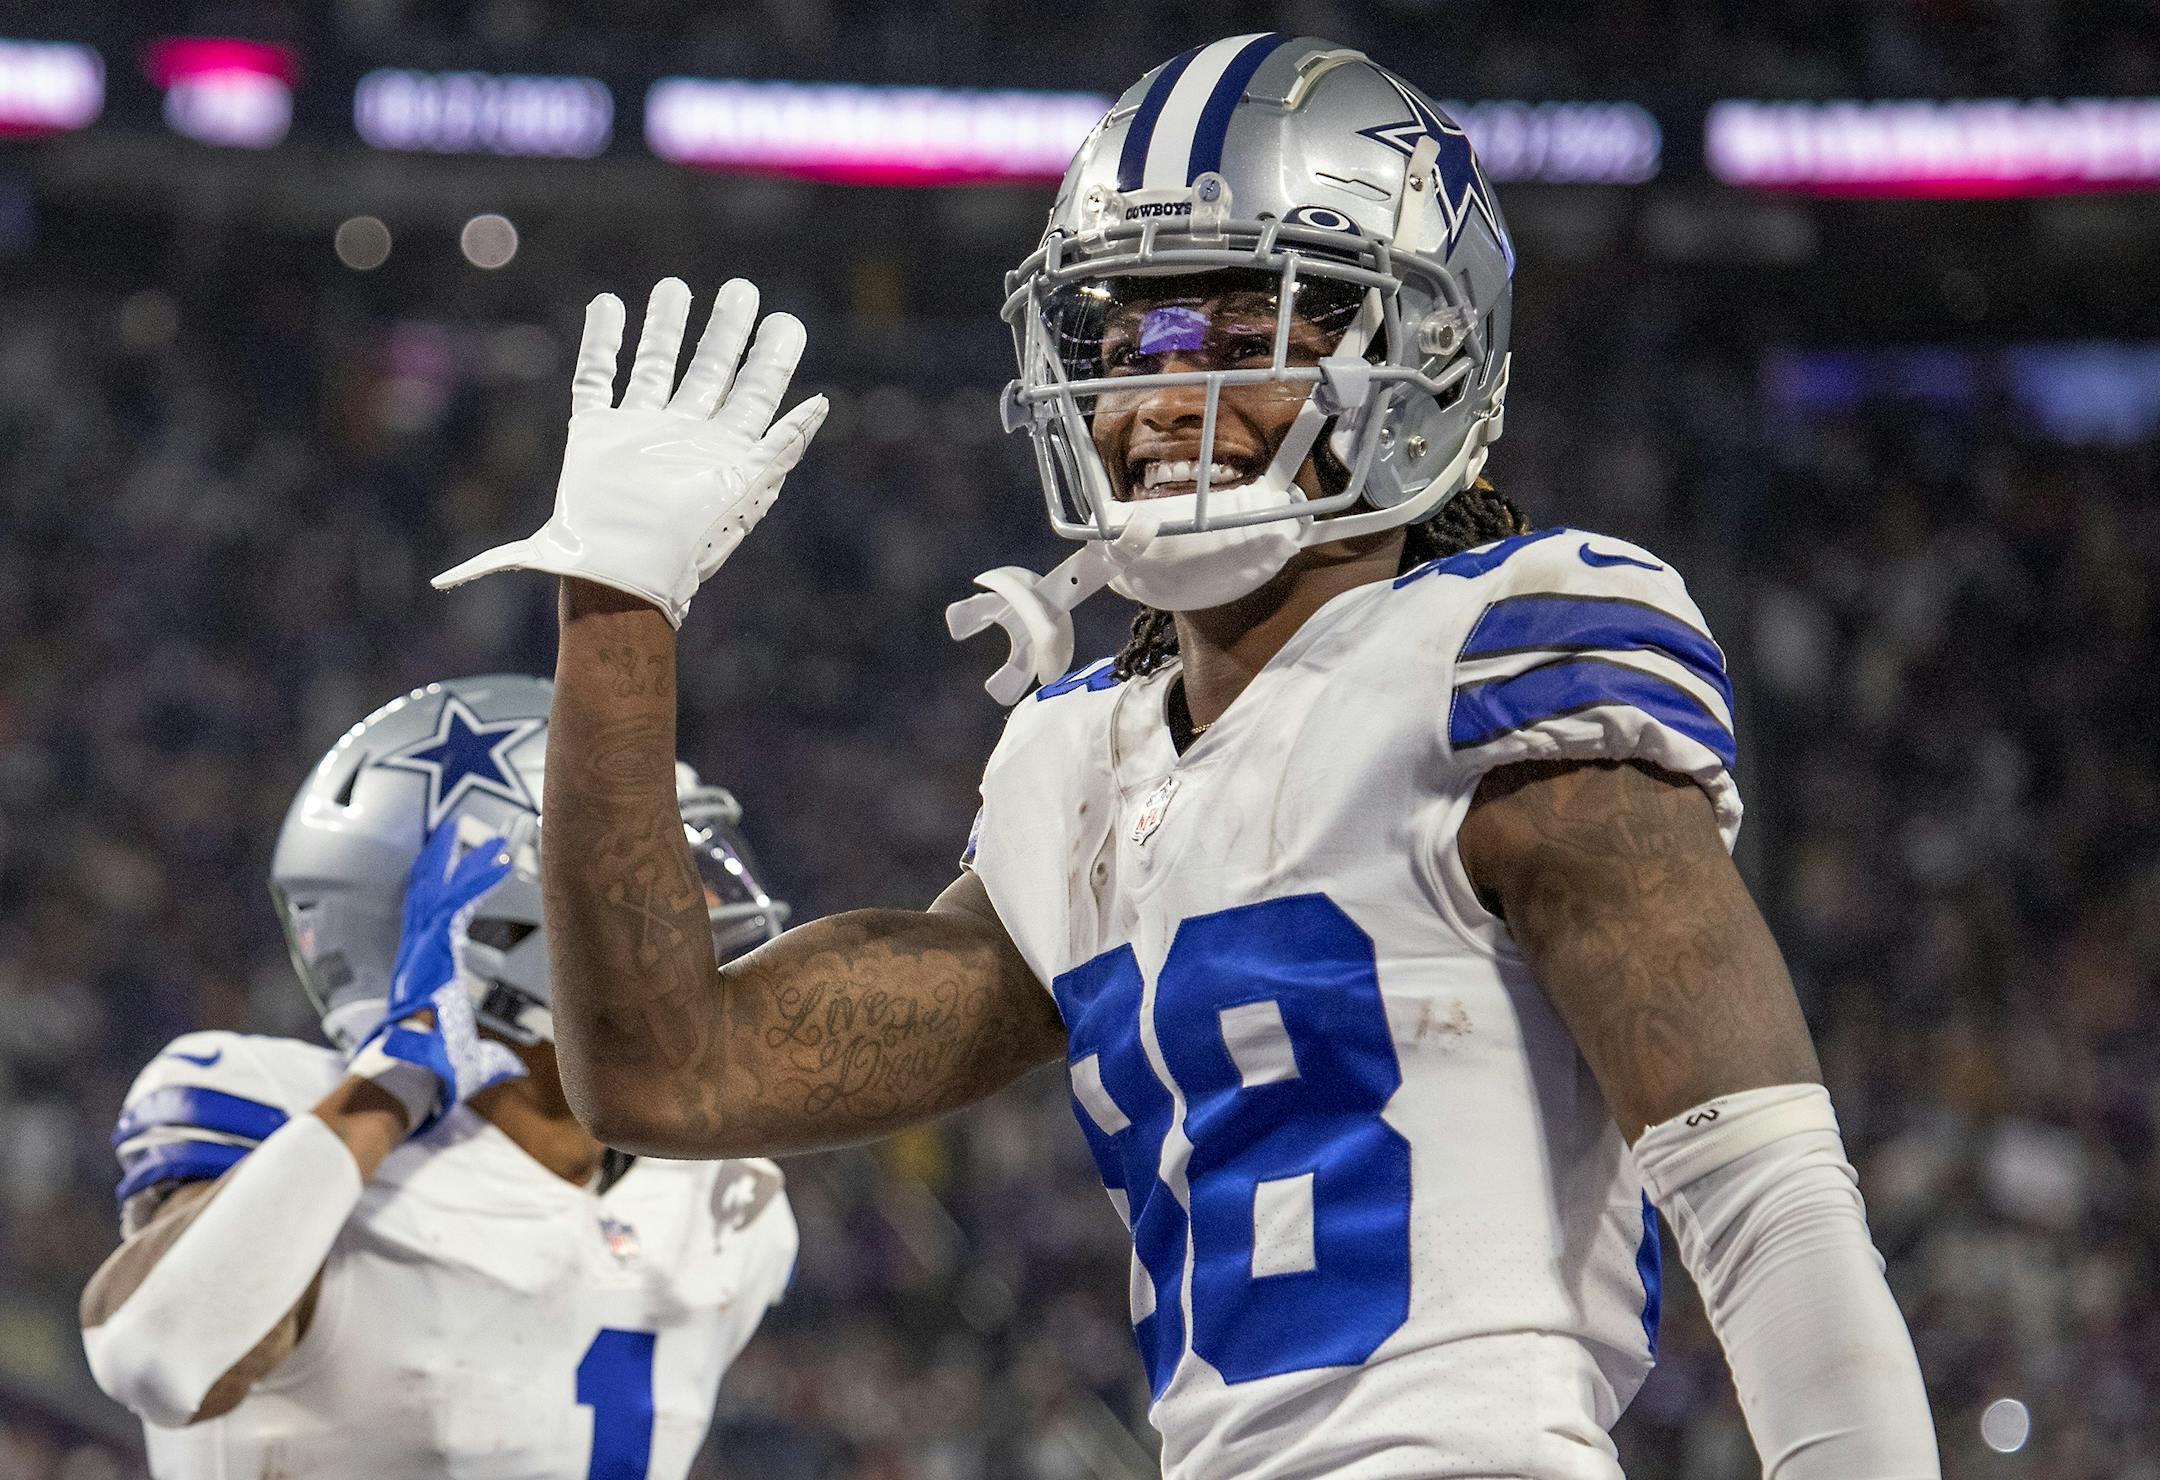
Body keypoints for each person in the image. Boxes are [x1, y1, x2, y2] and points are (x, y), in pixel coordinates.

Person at [432, 34, 1940, 1480]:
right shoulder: (1077, 775)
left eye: (1248, 332)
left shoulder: (1502, 662)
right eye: (1129, 333)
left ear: (1426, 356)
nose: (1164, 397)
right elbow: (660, 1072)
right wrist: (617, 609)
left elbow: (1769, 1204)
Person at [78, 675, 797, 1480]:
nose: (698, 903)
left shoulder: (728, 1200)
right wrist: (388, 1086)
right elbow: (162, 1360)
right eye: (650, 871)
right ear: (492, 914)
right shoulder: (278, 1107)